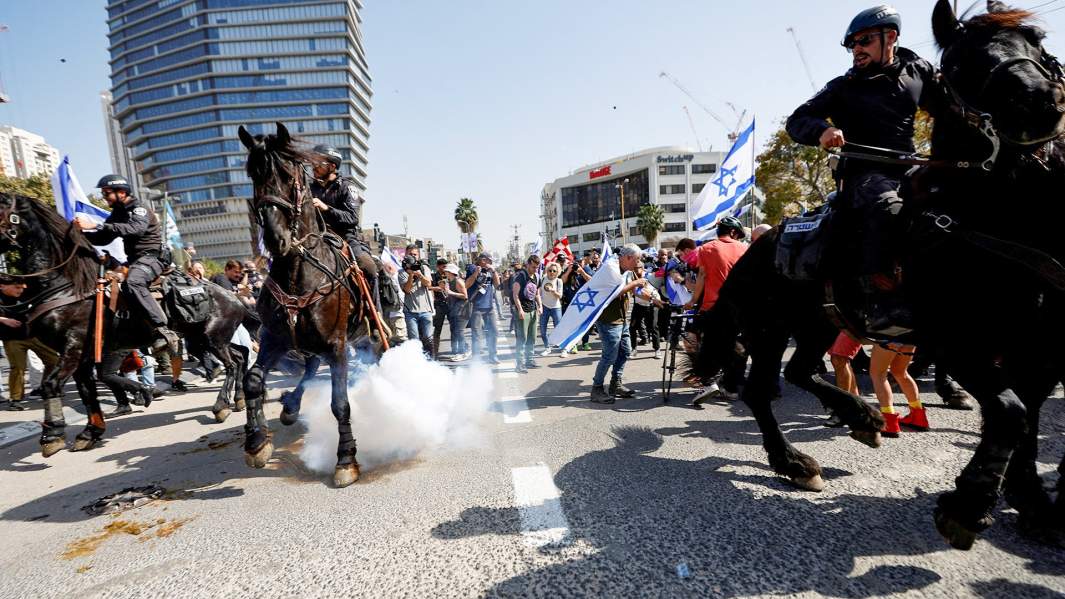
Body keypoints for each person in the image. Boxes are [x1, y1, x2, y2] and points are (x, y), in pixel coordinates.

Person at [785, 5, 942, 335]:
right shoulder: (842, 87)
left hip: (910, 168)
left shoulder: (918, 70)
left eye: (864, 40)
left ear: (891, 37)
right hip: (863, 176)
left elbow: (950, 103)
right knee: (888, 205)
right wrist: (822, 131)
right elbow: (797, 120)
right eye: (852, 44)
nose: (857, 48)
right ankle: (881, 300)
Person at [74, 174, 177, 353]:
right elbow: (103, 238)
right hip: (135, 261)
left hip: (153, 257)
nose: (104, 197)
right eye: (103, 193)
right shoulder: (118, 213)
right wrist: (79, 233)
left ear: (121, 192)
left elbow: (136, 229)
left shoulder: (139, 209)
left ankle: (162, 329)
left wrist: (95, 225)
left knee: (133, 282)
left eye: (106, 193)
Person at [590, 244, 649, 403]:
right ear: (628, 258)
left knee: (625, 351)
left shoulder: (628, 271)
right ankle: (597, 389)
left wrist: (654, 299)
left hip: (622, 320)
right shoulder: (610, 268)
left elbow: (635, 290)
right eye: (636, 259)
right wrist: (635, 284)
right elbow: (613, 293)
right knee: (609, 356)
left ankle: (615, 383)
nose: (638, 263)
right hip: (608, 320)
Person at [0, 277, 59, 411]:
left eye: (22, 287)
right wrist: (4, 320)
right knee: (18, 368)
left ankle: (46, 386)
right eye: (17, 287)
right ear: (2, 286)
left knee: (54, 360)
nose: (20, 290)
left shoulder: (26, 295)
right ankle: (16, 399)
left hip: (32, 336)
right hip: (12, 339)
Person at [688, 216, 748, 313]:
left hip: (712, 307)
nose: (738, 239)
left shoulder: (705, 248)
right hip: (737, 306)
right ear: (732, 232)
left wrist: (692, 301)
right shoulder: (744, 248)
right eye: (738, 236)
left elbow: (701, 276)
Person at [870, 343, 928, 437]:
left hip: (889, 335)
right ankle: (918, 417)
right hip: (909, 336)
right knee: (900, 372)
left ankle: (889, 421)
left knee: (879, 374)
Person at [398, 244, 434, 354]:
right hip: (410, 312)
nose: (413, 256)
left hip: (426, 310)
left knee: (428, 339)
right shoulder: (402, 272)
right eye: (410, 254)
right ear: (406, 255)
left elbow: (428, 284)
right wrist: (411, 275)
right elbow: (407, 290)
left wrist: (420, 275)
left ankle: (430, 360)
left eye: (415, 254)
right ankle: (417, 361)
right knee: (414, 341)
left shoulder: (424, 268)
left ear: (418, 256)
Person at [465, 253, 501, 364]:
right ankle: (476, 359)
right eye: (489, 260)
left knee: (494, 331)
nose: (491, 262)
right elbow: (466, 285)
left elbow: (497, 286)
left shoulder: (490, 270)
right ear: (483, 260)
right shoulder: (472, 268)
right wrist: (476, 273)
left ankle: (492, 356)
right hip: (476, 306)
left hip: (489, 306)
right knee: (477, 334)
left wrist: (493, 271)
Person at [511, 254, 543, 373]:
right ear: (528, 264)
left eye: (537, 267)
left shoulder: (537, 277)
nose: (535, 269)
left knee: (532, 337)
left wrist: (540, 306)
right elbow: (515, 295)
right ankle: (519, 364)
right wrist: (520, 309)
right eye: (533, 267)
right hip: (523, 311)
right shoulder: (521, 276)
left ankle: (529, 360)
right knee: (522, 338)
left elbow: (537, 294)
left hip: (533, 310)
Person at [630, 264, 665, 360]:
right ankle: (633, 349)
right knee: (632, 327)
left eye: (638, 268)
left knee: (653, 327)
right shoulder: (631, 278)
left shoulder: (649, 276)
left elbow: (661, 281)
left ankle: (657, 349)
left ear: (642, 268)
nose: (636, 270)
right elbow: (635, 292)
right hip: (638, 305)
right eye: (634, 268)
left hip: (652, 305)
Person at [440, 263, 470, 361]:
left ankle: (463, 352)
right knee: (455, 331)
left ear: (450, 272)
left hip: (461, 309)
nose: (445, 273)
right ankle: (461, 350)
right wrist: (445, 291)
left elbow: (465, 296)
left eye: (446, 271)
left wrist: (451, 292)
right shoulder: (450, 281)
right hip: (454, 309)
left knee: (459, 331)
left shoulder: (458, 281)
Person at [539, 262, 563, 356]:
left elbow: (560, 296)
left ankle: (563, 348)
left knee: (559, 329)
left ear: (557, 272)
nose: (552, 272)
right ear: (547, 270)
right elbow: (538, 293)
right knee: (542, 330)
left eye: (554, 271)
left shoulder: (558, 281)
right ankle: (547, 348)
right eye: (550, 270)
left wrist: (553, 291)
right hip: (544, 307)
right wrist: (539, 304)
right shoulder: (543, 279)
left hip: (556, 307)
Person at [429, 258, 451, 359]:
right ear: (438, 267)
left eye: (446, 266)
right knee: (437, 329)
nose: (445, 269)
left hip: (450, 304)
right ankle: (435, 353)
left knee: (454, 327)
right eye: (443, 267)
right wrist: (438, 288)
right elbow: (428, 287)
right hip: (439, 304)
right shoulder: (433, 276)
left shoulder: (450, 275)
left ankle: (455, 350)